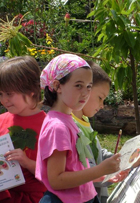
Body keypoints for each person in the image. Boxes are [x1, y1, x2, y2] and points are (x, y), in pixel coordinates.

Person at [35, 54, 121, 203]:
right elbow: (56, 180)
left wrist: (101, 176)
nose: (85, 92)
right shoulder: (58, 127)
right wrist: (100, 169)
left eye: (89, 87)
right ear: (57, 86)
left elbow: (74, 167)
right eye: (78, 85)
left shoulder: (68, 120)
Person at [72, 61, 140, 203]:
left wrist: (127, 159)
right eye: (100, 98)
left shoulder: (84, 120)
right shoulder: (71, 127)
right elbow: (86, 172)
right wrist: (113, 169)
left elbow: (97, 154)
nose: (101, 105)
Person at [0, 56, 47, 202]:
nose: (3, 100)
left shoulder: (50, 127)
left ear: (31, 91)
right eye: (0, 94)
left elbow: (58, 175)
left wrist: (27, 163)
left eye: (9, 94)